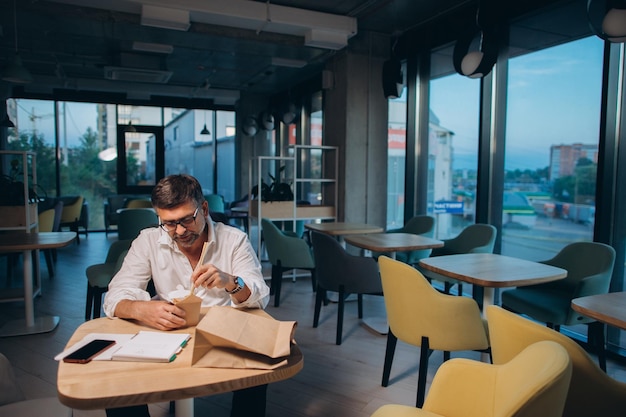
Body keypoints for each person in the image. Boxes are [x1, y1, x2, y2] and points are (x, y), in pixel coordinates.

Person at [103, 174, 270, 417]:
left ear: (204, 208)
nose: (180, 231)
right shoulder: (148, 240)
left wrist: (231, 282)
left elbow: (259, 297)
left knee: (258, 367)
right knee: (116, 377)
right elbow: (114, 296)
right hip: (167, 334)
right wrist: (143, 309)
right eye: (169, 223)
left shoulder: (234, 240)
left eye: (186, 220)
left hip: (223, 334)